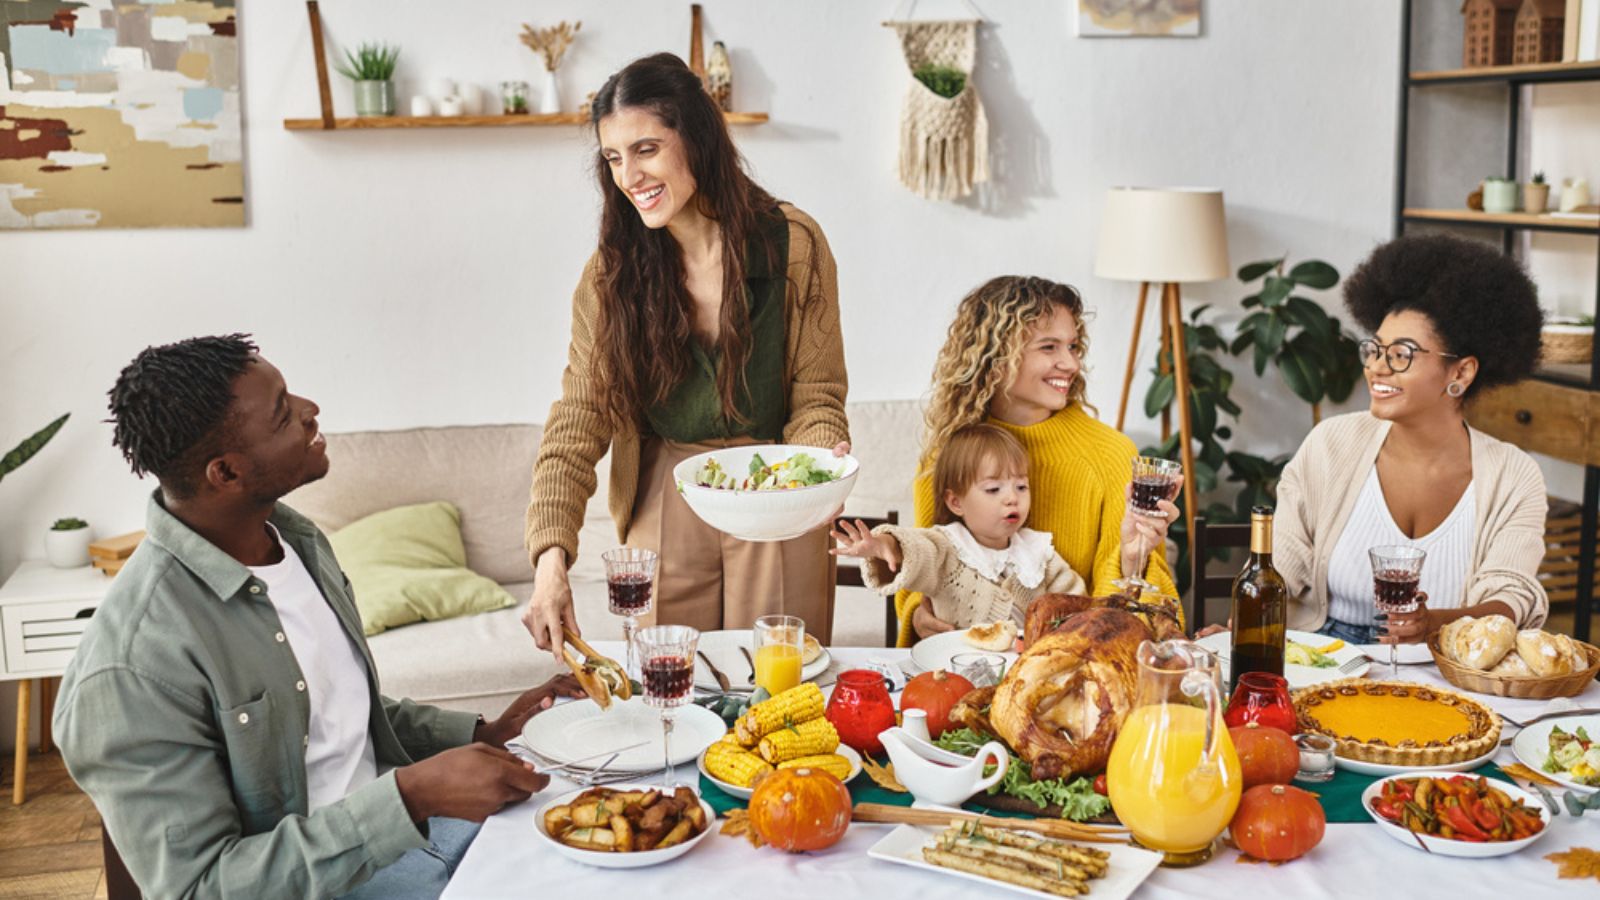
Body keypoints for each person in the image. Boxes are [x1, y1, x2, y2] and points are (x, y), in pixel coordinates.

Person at [54, 335, 581, 900]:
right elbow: (200, 887)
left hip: (423, 838)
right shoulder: (131, 666)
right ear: (225, 473)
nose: (311, 411)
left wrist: (487, 731)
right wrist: (409, 797)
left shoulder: (296, 542)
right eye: (283, 414)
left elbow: (335, 717)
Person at [522, 53, 849, 655]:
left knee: (776, 698)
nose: (629, 176)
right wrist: (550, 558)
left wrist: (819, 459)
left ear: (696, 140)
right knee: (668, 698)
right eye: (614, 158)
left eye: (646, 149)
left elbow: (818, 395)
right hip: (665, 495)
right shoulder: (609, 278)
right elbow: (578, 420)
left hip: (774, 494)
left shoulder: (793, 244)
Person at [1272, 234, 1549, 644]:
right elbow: (1279, 570)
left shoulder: (1513, 476)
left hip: (1442, 667)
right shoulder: (1331, 444)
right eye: (1375, 350)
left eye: (1401, 354)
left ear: (1461, 373)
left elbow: (1512, 597)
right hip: (1322, 657)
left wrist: (1433, 623)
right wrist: (1237, 633)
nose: (1377, 368)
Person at [897, 275, 1180, 645]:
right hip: (966, 660)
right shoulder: (947, 454)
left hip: (1075, 662)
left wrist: (1133, 559)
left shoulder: (1111, 455)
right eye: (1049, 347)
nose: (1071, 364)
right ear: (996, 357)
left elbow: (1132, 617)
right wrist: (919, 614)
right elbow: (926, 559)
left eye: (1073, 347)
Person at [833, 424, 1087, 629]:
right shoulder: (948, 547)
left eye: (1021, 487)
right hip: (955, 671)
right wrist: (883, 545)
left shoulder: (1038, 553)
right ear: (956, 502)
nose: (1012, 498)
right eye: (993, 489)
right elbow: (918, 549)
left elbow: (1077, 603)